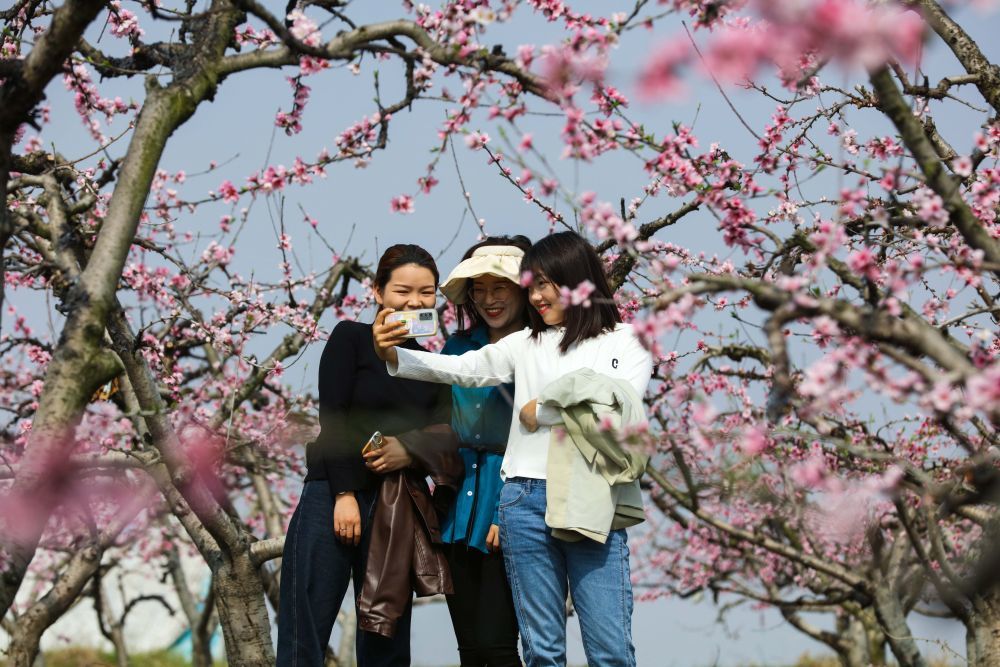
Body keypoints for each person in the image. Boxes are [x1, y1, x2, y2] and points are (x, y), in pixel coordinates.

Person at [373, 231, 653, 667]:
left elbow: (617, 409)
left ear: (577, 280)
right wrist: (394, 356)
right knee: (541, 651)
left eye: (545, 284)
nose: (536, 296)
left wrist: (542, 408)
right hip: (522, 498)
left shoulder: (627, 339)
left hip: (591, 495)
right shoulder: (526, 342)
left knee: (610, 650)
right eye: (531, 285)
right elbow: (465, 368)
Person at [277, 244, 451, 666]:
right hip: (331, 495)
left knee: (384, 637)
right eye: (402, 291)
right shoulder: (350, 338)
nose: (414, 302)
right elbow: (334, 418)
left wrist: (408, 450)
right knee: (305, 627)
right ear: (377, 291)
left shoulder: (433, 365)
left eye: (426, 293)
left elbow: (443, 433)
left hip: (396, 506)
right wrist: (344, 495)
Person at [436, 236, 531, 667]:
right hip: (455, 510)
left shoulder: (540, 349)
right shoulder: (457, 348)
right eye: (479, 289)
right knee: (471, 650)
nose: (489, 299)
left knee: (498, 646)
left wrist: (503, 512)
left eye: (500, 287)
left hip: (508, 503)